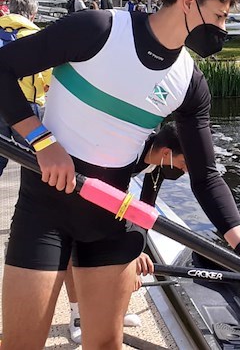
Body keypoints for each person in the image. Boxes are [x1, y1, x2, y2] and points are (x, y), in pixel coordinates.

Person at [0, 0, 240, 349]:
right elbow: (3, 69)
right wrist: (42, 141)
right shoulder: (96, 29)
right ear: (188, 2)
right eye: (219, 16)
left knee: (104, 346)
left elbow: (205, 175)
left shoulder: (190, 83)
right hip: (46, 206)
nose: (222, 28)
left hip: (112, 215)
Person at [65, 123, 187, 344]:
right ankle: (77, 316)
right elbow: (103, 202)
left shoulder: (157, 166)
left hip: (109, 191)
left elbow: (145, 211)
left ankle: (114, 313)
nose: (185, 171)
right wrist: (130, 257)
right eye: (183, 163)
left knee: (128, 248)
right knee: (74, 245)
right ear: (167, 153)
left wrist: (136, 252)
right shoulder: (128, 150)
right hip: (75, 184)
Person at [0, 0, 51, 176]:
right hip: (27, 107)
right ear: (33, 14)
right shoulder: (37, 37)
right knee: (36, 160)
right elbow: (49, 78)